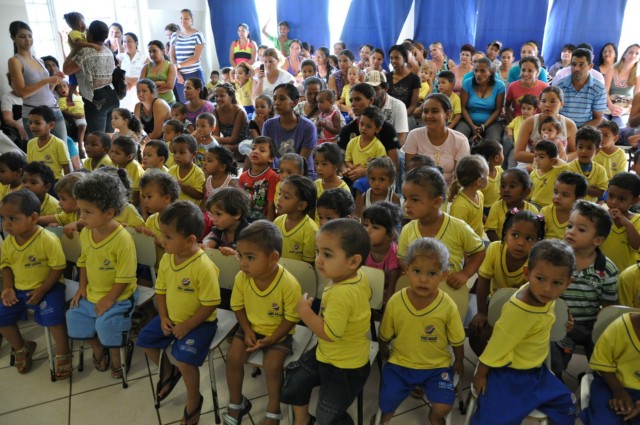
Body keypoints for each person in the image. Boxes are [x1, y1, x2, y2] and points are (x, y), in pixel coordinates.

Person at [471, 239, 576, 425]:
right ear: (527, 273)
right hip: (509, 374)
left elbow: (546, 317)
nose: (547, 288)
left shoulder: (543, 296)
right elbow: (497, 345)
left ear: (567, 283)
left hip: (537, 372)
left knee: (567, 406)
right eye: (540, 279)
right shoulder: (518, 311)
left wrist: (565, 321)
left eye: (557, 282)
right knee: (493, 419)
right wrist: (480, 374)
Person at [281, 218, 371, 424]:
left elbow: (329, 334)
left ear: (353, 261)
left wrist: (305, 312)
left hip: (346, 365)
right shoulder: (352, 276)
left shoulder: (342, 293)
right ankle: (302, 420)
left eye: (328, 254)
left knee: (328, 414)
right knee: (295, 382)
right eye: (318, 251)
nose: (319, 260)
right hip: (326, 353)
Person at [137, 201, 219, 425]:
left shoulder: (203, 266)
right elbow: (160, 291)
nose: (161, 241)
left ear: (190, 240)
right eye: (162, 234)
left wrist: (188, 326)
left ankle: (194, 401)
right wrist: (162, 316)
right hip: (171, 318)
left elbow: (210, 304)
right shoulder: (167, 258)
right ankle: (168, 371)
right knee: (145, 340)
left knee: (185, 359)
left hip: (200, 323)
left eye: (168, 236)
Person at [377, 237, 465, 425]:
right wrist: (384, 349)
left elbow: (457, 339)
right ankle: (384, 418)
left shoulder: (448, 306)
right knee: (386, 402)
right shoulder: (395, 301)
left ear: (443, 275)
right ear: (406, 270)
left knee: (443, 407)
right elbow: (384, 334)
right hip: (401, 362)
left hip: (436, 366)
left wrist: (459, 360)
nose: (423, 279)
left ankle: (433, 417)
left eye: (432, 273)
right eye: (417, 271)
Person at [223, 220, 301, 424]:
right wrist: (247, 330)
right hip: (250, 326)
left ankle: (273, 409)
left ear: (273, 258)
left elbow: (292, 318)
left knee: (272, 366)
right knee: (232, 358)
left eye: (250, 257)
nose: (242, 263)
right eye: (240, 255)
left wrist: (274, 338)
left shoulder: (289, 284)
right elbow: (238, 306)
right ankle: (236, 403)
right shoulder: (243, 277)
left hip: (278, 333)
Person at [66, 171, 138, 379]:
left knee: (107, 324)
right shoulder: (87, 232)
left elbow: (125, 278)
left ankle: (117, 357)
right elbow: (84, 262)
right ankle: (99, 349)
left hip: (120, 296)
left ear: (109, 213)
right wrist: (81, 288)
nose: (81, 218)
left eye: (88, 212)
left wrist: (109, 299)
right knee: (74, 316)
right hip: (93, 292)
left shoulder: (122, 240)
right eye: (80, 211)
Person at [0, 190, 71, 378]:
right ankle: (22, 348)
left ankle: (63, 352)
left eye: (12, 219)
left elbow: (58, 268)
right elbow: (6, 266)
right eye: (3, 218)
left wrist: (42, 290)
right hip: (19, 289)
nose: (6, 224)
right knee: (2, 316)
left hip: (50, 286)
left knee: (54, 317)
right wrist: (7, 288)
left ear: (33, 218)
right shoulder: (8, 242)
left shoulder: (47, 239)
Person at [550, 200, 617, 380]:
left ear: (598, 240)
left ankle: (594, 379)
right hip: (561, 320)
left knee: (603, 353)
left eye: (581, 229)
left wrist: (600, 327)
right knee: (553, 349)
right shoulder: (557, 259)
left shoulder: (606, 269)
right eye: (570, 225)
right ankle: (554, 379)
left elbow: (608, 306)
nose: (571, 231)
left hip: (591, 324)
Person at [469, 210, 546, 356]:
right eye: (515, 235)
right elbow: (483, 282)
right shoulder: (494, 249)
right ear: (505, 234)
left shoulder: (537, 259)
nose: (520, 243)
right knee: (477, 332)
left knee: (522, 339)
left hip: (525, 308)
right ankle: (488, 363)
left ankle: (510, 364)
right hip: (495, 304)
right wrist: (482, 312)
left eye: (529, 238)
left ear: (538, 242)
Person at [398, 166, 485, 288]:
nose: (407, 205)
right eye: (405, 198)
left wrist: (465, 273)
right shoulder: (407, 230)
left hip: (449, 291)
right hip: (419, 291)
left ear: (437, 202)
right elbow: (402, 258)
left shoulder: (458, 227)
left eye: (414, 199)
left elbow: (479, 251)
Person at [8, 21, 66, 142]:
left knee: (62, 150)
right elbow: (22, 92)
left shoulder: (38, 59)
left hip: (53, 109)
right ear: (13, 38)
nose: (27, 40)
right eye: (22, 36)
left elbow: (46, 91)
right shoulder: (15, 61)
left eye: (30, 36)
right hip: (33, 114)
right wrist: (45, 81)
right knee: (41, 155)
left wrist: (54, 81)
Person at [579, 312, 640, 424]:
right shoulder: (620, 327)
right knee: (604, 420)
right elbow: (602, 362)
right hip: (610, 383)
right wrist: (618, 391)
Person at [62, 20, 119, 134]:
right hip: (112, 95)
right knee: (108, 136)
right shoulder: (108, 51)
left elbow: (66, 70)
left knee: (97, 138)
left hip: (96, 98)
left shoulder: (85, 52)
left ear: (90, 35)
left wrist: (75, 48)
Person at [404, 94, 470, 185]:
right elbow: (410, 173)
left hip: (449, 192)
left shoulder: (460, 141)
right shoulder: (414, 135)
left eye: (435, 111)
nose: (428, 116)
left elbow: (458, 180)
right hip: (420, 190)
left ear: (447, 114)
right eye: (425, 111)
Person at [514, 86, 578, 168]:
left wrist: (559, 159)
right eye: (543, 101)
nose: (547, 105)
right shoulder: (530, 122)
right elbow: (518, 154)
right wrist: (543, 159)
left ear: (561, 104)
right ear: (539, 104)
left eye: (552, 101)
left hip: (558, 165)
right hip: (531, 165)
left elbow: (575, 152)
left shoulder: (569, 125)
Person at [263, 83, 317, 178]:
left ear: (295, 102)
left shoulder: (308, 127)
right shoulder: (268, 125)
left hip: (302, 175)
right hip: (278, 172)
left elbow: (302, 161)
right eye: (275, 98)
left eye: (282, 99)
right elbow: (267, 156)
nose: (277, 102)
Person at [555, 48, 607, 128]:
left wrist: (578, 133)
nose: (576, 69)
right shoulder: (559, 86)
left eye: (581, 65)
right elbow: (554, 113)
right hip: (561, 129)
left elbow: (598, 118)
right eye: (574, 64)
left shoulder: (599, 89)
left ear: (590, 66)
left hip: (585, 132)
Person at [457, 57, 505, 143]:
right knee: (459, 138)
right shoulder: (467, 83)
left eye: (482, 71)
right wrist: (473, 126)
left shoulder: (499, 86)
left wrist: (484, 126)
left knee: (493, 142)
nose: (478, 74)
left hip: (491, 122)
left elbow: (498, 110)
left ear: (490, 72)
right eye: (476, 71)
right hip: (468, 121)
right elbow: (462, 108)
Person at [485, 168, 538, 242]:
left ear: (526, 191)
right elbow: (490, 231)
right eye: (503, 186)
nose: (506, 190)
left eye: (512, 186)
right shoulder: (497, 207)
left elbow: (534, 234)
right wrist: (501, 246)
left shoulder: (532, 210)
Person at [601, 172, 640, 273]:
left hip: (624, 274)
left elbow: (637, 246)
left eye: (622, 199)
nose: (614, 202)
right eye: (611, 196)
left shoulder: (637, 220)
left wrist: (627, 224)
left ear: (635, 201)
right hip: (601, 271)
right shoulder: (602, 216)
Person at [273, 175, 318, 263]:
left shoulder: (310, 230)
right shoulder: (277, 221)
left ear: (301, 205)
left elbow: (307, 266)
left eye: (286, 197)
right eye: (279, 194)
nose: (279, 199)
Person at [239, 136, 279, 221]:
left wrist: (269, 224)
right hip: (244, 219)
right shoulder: (243, 176)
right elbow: (239, 200)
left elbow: (271, 202)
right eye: (253, 149)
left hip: (262, 221)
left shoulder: (272, 176)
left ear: (271, 158)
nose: (255, 152)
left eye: (262, 150)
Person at [448, 155, 489, 238]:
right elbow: (457, 233)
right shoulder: (460, 206)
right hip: (466, 246)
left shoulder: (480, 195)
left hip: (477, 239)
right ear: (479, 181)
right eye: (487, 176)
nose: (488, 178)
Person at [26, 106, 71, 181]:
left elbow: (66, 168)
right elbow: (30, 166)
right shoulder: (30, 143)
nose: (32, 126)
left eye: (37, 123)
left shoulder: (59, 144)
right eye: (30, 123)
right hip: (36, 182)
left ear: (51, 125)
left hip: (55, 181)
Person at [365, 71, 409, 145]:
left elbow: (401, 138)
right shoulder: (363, 104)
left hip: (391, 149)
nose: (371, 93)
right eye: (368, 89)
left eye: (375, 89)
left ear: (385, 89)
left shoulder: (398, 106)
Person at [171, 9, 205, 104]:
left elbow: (196, 57)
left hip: (195, 74)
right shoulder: (175, 35)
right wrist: (177, 73)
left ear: (191, 20)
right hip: (180, 77)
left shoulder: (198, 35)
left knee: (199, 104)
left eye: (186, 18)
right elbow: (172, 56)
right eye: (181, 18)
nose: (183, 20)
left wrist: (179, 65)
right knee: (185, 106)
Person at [567, 126, 608, 203]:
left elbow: (600, 193)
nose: (584, 151)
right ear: (576, 147)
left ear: (597, 150)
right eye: (580, 147)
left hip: (591, 207)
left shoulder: (600, 170)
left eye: (589, 148)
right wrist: (591, 189)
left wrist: (579, 187)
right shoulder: (569, 168)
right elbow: (568, 189)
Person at [603, 44, 640, 127]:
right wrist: (611, 106)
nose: (633, 55)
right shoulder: (612, 69)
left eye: (637, 53)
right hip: (608, 104)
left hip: (624, 108)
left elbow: (636, 99)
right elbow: (605, 91)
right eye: (630, 52)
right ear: (624, 55)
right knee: (602, 124)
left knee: (618, 126)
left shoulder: (638, 76)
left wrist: (625, 110)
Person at [505, 56, 549, 124]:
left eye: (530, 71)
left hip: (537, 125)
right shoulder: (512, 87)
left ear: (537, 73)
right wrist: (512, 124)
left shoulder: (545, 88)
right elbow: (507, 106)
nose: (525, 74)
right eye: (523, 70)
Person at [212, 84, 250, 159]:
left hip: (243, 144)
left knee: (223, 150)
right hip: (226, 143)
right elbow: (216, 136)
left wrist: (212, 138)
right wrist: (213, 139)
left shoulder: (239, 112)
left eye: (222, 96)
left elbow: (233, 139)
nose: (218, 98)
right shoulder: (215, 111)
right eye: (216, 96)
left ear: (231, 97)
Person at [529, 141, 569, 208]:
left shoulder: (557, 171)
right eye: (535, 156)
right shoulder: (533, 173)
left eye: (541, 157)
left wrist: (557, 160)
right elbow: (530, 193)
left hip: (550, 206)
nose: (536, 159)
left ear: (552, 160)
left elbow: (567, 167)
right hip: (534, 204)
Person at [167, 134, 205, 205]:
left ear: (193, 154)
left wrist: (181, 186)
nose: (177, 156)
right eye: (175, 152)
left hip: (190, 212)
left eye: (181, 153)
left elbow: (199, 195)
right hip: (174, 208)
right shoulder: (172, 170)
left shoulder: (198, 173)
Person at [386, 44, 421, 118]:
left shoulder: (414, 79)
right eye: (391, 58)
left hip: (406, 117)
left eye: (397, 58)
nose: (393, 61)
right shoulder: (386, 77)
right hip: (388, 116)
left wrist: (402, 116)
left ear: (405, 58)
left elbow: (413, 105)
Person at [117, 32, 149, 111]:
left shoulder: (144, 58)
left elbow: (144, 79)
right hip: (124, 90)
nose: (126, 44)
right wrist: (129, 81)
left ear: (136, 43)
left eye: (129, 41)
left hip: (139, 91)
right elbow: (116, 76)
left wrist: (126, 79)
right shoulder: (120, 57)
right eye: (124, 41)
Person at [109, 135, 144, 206]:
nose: (112, 155)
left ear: (129, 157)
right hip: (123, 198)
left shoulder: (134, 166)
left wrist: (135, 207)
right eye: (111, 151)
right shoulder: (115, 163)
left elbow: (136, 191)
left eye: (117, 153)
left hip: (136, 201)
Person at [472, 140, 504, 215]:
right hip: (484, 209)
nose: (503, 155)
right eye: (502, 153)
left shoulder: (500, 170)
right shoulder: (481, 178)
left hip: (498, 204)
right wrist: (482, 215)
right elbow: (475, 196)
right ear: (496, 158)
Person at [140, 40, 177, 105]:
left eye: (154, 51)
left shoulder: (170, 66)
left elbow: (169, 86)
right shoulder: (145, 67)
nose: (152, 54)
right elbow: (141, 86)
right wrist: (161, 83)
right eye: (150, 52)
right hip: (151, 103)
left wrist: (150, 89)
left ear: (163, 51)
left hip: (168, 103)